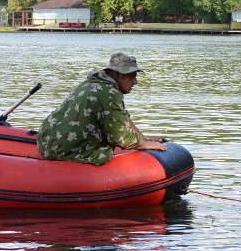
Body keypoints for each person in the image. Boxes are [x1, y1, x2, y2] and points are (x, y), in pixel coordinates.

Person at [37, 52, 167, 166]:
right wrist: (145, 145)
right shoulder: (110, 92)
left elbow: (123, 118)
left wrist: (145, 140)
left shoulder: (92, 83)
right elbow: (120, 137)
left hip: (46, 145)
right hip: (66, 151)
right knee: (105, 153)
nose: (135, 81)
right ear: (116, 74)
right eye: (131, 76)